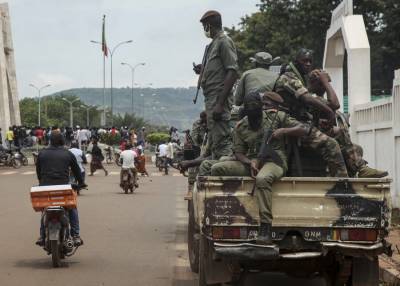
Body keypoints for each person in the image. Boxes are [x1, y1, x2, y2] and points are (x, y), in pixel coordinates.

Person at [209, 92, 309, 244]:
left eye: (256, 108)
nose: (254, 113)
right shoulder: (241, 126)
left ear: (262, 107)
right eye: (250, 109)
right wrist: (249, 162)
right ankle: (226, 209)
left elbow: (304, 128)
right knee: (217, 168)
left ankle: (265, 226)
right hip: (252, 162)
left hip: (275, 160)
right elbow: (238, 152)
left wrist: (283, 131)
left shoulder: (276, 117)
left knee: (262, 179)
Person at [274, 48, 349, 177]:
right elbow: (307, 98)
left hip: (301, 123)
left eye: (310, 61)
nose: (308, 64)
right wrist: (329, 112)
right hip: (290, 123)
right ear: (297, 62)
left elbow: (331, 104)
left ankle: (359, 168)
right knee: (331, 144)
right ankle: (342, 183)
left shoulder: (303, 81)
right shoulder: (288, 76)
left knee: (340, 132)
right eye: (305, 61)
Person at [308, 69, 388, 178]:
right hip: (310, 140)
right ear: (313, 84)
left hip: (320, 138)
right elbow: (335, 104)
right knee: (339, 132)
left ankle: (355, 173)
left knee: (357, 148)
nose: (324, 86)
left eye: (325, 83)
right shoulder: (311, 99)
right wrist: (326, 82)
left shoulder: (319, 100)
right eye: (321, 83)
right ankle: (361, 169)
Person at [194, 10, 238, 160]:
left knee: (221, 140)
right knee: (215, 138)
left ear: (209, 26)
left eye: (204, 26)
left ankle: (225, 168)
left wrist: (220, 103)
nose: (204, 30)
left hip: (218, 98)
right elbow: (218, 68)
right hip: (211, 98)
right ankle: (217, 165)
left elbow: (232, 72)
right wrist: (203, 70)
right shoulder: (214, 44)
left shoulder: (224, 42)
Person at [35, 131, 85, 246]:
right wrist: (81, 183)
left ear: (49, 141)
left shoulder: (42, 153)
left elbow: (38, 172)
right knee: (72, 208)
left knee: (44, 210)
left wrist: (42, 182)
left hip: (45, 187)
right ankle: (76, 235)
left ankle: (42, 236)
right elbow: (77, 171)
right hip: (64, 187)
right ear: (62, 141)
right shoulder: (67, 153)